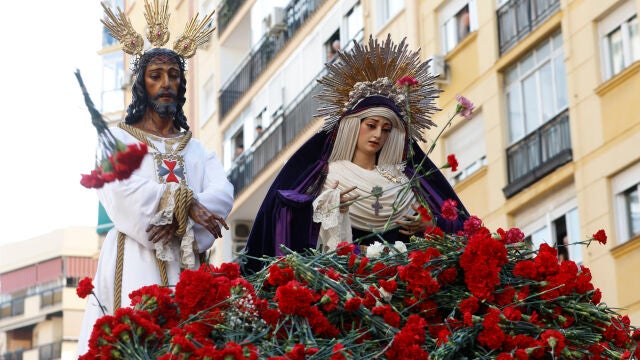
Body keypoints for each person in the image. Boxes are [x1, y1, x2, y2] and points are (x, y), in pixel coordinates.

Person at [77, 3, 232, 356]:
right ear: (141, 84)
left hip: (185, 260)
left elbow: (222, 193)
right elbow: (120, 193)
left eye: (173, 75)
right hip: (133, 253)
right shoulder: (119, 140)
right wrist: (183, 204)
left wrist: (181, 221)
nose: (166, 84)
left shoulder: (196, 149)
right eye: (156, 75)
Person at [244, 35, 468, 273]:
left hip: (401, 278)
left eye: (386, 129)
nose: (378, 135)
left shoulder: (406, 181)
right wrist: (329, 207)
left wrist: (432, 224)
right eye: (371, 125)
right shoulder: (328, 175)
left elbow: (459, 228)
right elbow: (285, 219)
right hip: (345, 278)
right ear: (353, 126)